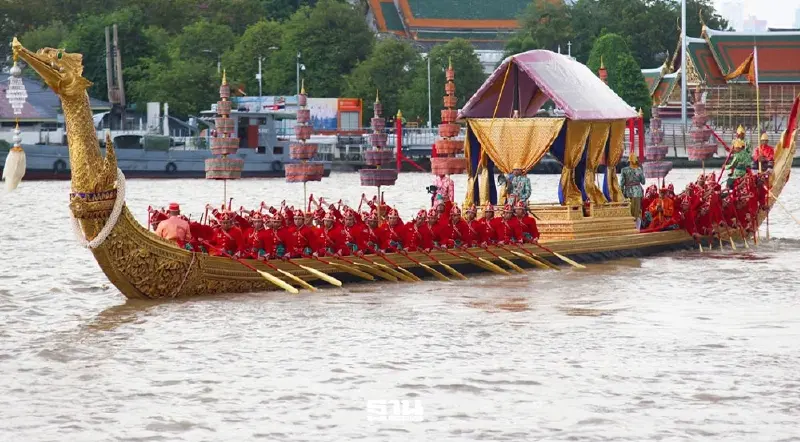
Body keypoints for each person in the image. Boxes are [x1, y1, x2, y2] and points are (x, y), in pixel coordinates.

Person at [619, 153, 646, 228]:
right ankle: (637, 228)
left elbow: (621, 183)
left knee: (628, 210)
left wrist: (620, 193)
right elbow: (643, 182)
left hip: (627, 193)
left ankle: (628, 227)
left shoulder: (624, 170)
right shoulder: (639, 169)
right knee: (637, 211)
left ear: (629, 161)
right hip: (637, 192)